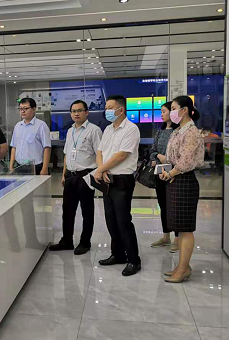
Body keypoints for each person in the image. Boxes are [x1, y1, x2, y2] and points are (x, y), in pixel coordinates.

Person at [95, 95, 141, 276]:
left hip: (122, 179)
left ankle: (133, 260)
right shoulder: (108, 129)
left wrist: (100, 170)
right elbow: (100, 151)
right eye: (106, 107)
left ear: (120, 110)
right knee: (111, 220)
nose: (106, 110)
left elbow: (122, 155)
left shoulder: (131, 129)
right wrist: (102, 170)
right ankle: (118, 254)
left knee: (123, 221)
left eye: (110, 107)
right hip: (107, 178)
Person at [160, 95, 204, 283]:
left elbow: (185, 161)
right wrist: (165, 172)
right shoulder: (179, 131)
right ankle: (182, 266)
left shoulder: (191, 132)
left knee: (185, 229)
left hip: (184, 181)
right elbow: (172, 157)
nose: (172, 112)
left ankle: (183, 269)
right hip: (175, 179)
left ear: (184, 110)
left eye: (174, 108)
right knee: (178, 225)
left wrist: (170, 173)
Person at [49, 100, 102, 255]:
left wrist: (98, 173)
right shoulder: (70, 130)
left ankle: (85, 242)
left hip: (86, 175)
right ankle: (67, 240)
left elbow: (99, 154)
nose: (76, 113)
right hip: (70, 176)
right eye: (73, 111)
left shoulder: (94, 130)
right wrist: (64, 174)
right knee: (67, 211)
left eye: (79, 110)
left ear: (86, 112)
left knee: (87, 211)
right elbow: (66, 154)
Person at [149, 101, 179, 252]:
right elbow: (152, 151)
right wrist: (158, 157)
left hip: (175, 174)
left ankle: (178, 239)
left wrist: (167, 159)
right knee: (163, 204)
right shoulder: (160, 132)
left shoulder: (178, 132)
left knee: (175, 206)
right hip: (160, 173)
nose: (162, 114)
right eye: (161, 111)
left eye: (164, 111)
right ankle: (166, 236)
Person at [9, 98, 51, 175]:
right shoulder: (18, 126)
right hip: (19, 166)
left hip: (36, 167)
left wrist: (44, 169)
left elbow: (47, 148)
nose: (22, 111)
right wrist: (11, 166)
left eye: (25, 108)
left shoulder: (41, 125)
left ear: (34, 109)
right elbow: (14, 147)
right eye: (20, 109)